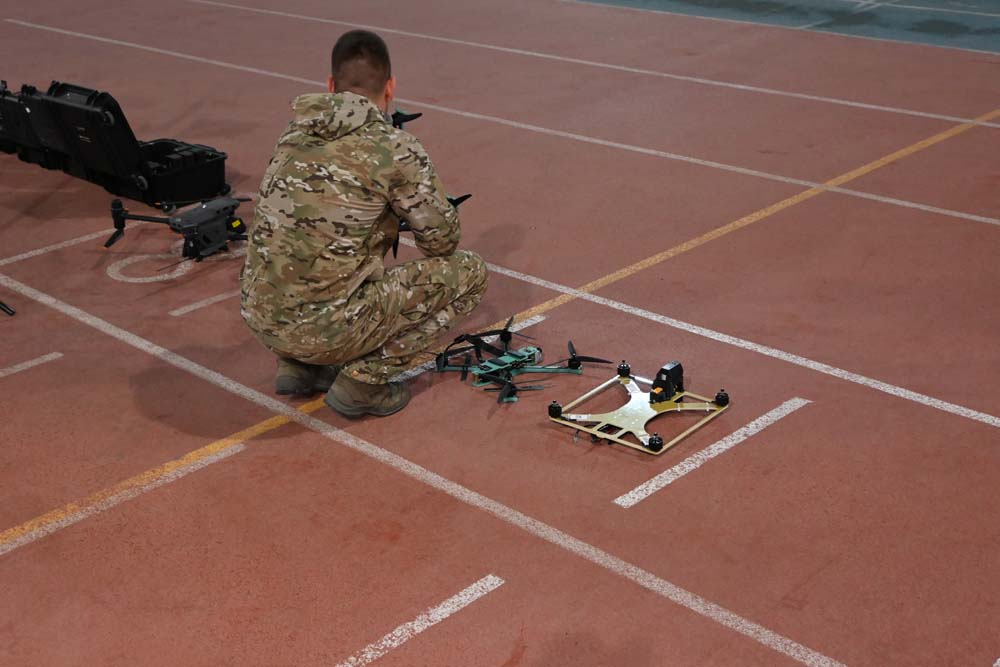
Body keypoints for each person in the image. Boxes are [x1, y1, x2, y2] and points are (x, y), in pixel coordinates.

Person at [240, 30, 488, 417]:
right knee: (470, 273)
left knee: (309, 250)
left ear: (330, 85)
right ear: (390, 87)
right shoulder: (395, 147)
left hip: (261, 318)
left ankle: (299, 366)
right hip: (327, 330)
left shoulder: (293, 133)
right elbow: (441, 243)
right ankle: (363, 382)